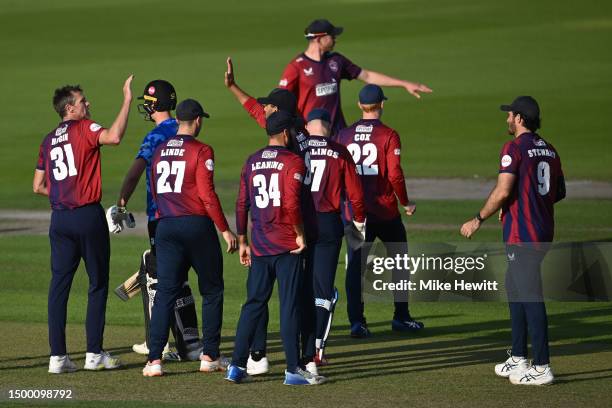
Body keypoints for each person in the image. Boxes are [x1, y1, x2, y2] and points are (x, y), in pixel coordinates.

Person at [460, 96, 565, 386]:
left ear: (519, 119)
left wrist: (478, 218)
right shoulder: (550, 150)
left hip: (523, 234)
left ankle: (542, 366)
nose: (507, 118)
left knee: (529, 295)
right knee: (515, 287)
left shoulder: (514, 147)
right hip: (542, 231)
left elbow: (503, 189)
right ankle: (519, 357)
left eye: (510, 114)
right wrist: (530, 204)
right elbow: (557, 192)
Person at [33, 76, 134, 373]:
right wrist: (126, 100)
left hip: (60, 219)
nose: (87, 104)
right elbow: (114, 137)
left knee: (58, 287)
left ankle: (57, 358)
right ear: (70, 109)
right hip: (87, 216)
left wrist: (65, 191)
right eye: (82, 101)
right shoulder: (84, 127)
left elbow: (38, 185)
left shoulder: (48, 139)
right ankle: (93, 353)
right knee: (97, 283)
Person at [225, 58, 318, 375]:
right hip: (293, 232)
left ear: (280, 118)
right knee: (295, 302)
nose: (263, 110)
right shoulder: (293, 143)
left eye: (269, 109)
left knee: (257, 302)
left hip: (267, 235)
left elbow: (242, 202)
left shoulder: (264, 154)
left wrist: (242, 240)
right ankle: (299, 365)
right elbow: (292, 201)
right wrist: (233, 87)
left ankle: (243, 363)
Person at [142, 99, 238, 377]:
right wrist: (224, 229)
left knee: (165, 294)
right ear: (197, 120)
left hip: (166, 226)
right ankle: (209, 356)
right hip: (196, 226)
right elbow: (208, 195)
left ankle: (154, 361)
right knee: (211, 290)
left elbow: (155, 191)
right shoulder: (202, 149)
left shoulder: (160, 150)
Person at [110, 79, 201, 361]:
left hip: (160, 216)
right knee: (176, 277)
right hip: (189, 214)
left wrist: (121, 202)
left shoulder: (154, 137)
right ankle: (190, 343)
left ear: (151, 106)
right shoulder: (186, 129)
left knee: (158, 279)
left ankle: (156, 344)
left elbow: (136, 171)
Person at [336, 84, 423, 337]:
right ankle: (401, 317)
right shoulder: (389, 135)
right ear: (382, 104)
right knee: (400, 260)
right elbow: (395, 173)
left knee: (355, 267)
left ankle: (357, 323)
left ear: (360, 106)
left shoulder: (344, 135)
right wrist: (405, 202)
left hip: (356, 214)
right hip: (385, 211)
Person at [278, 18, 432, 134]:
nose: (335, 39)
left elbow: (368, 76)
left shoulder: (336, 61)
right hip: (311, 135)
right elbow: (281, 101)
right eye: (332, 36)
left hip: (338, 132)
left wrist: (404, 83)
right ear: (319, 39)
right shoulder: (296, 67)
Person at [303, 108, 366, 365]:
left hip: (299, 223)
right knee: (323, 289)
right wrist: (359, 222)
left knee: (296, 285)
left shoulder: (298, 149)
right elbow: (356, 196)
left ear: (308, 127)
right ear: (330, 128)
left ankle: (298, 344)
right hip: (328, 222)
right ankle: (317, 349)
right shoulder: (339, 151)